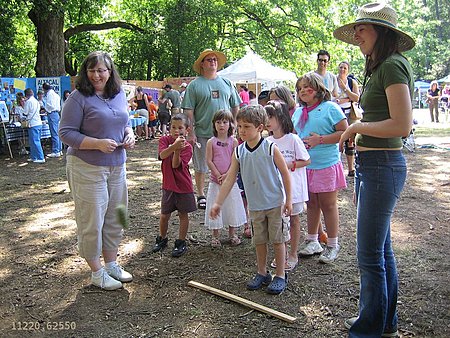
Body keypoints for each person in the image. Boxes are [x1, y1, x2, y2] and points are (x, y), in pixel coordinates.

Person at [333, 2, 415, 336]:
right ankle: (385, 324)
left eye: (362, 29)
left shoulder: (394, 66)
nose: (356, 36)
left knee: (369, 255)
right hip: (371, 166)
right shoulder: (379, 67)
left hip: (383, 167)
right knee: (381, 251)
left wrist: (355, 129)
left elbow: (402, 124)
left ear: (380, 32)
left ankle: (367, 331)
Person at [59, 51, 135, 291]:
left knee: (116, 215)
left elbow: (124, 121)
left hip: (117, 165)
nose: (96, 75)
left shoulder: (119, 93)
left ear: (110, 71)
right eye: (91, 70)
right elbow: (66, 133)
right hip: (87, 167)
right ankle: (96, 271)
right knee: (92, 220)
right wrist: (97, 143)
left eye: (101, 70)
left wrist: (129, 133)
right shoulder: (78, 98)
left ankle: (111, 263)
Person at [210, 105, 292, 295]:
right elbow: (230, 178)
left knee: (278, 240)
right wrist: (218, 202)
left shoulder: (271, 148)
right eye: (239, 126)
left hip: (274, 204)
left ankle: (280, 274)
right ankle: (262, 272)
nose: (242, 130)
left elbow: (285, 174)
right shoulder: (239, 152)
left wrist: (288, 200)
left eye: (246, 126)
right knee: (259, 240)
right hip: (255, 206)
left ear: (260, 127)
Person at [292, 72, 347, 264]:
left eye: (307, 86)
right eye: (299, 88)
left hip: (326, 165)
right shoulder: (298, 112)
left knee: (328, 204)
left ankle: (332, 244)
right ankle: (312, 240)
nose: (302, 91)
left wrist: (320, 140)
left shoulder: (330, 108)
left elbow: (344, 132)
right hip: (305, 167)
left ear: (318, 88)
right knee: (312, 204)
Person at [182, 49, 241, 209]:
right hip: (202, 132)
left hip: (226, 134)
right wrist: (190, 132)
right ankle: (201, 195)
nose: (212, 62)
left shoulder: (226, 83)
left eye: (214, 59)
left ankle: (227, 189)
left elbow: (235, 105)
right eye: (208, 60)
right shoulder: (194, 85)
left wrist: (235, 124)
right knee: (201, 164)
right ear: (202, 64)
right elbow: (188, 111)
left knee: (228, 162)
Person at [265, 100, 310, 271]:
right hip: (276, 189)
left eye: (271, 116)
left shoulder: (293, 139)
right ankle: (280, 254)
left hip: (294, 188)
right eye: (266, 117)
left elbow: (306, 160)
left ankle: (293, 254)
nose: (268, 121)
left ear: (281, 117)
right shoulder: (267, 141)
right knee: (278, 222)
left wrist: (288, 164)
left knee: (294, 219)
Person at [152, 113, 196, 257]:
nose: (176, 131)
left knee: (183, 214)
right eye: (173, 127)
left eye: (180, 128)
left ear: (187, 130)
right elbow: (163, 155)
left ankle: (181, 241)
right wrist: (174, 146)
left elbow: (175, 164)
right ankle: (162, 238)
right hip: (168, 186)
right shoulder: (164, 140)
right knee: (164, 215)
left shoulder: (188, 147)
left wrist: (177, 149)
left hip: (183, 186)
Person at [204, 110, 246, 247]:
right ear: (214, 124)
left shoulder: (233, 142)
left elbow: (236, 160)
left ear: (230, 124)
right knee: (215, 205)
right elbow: (209, 160)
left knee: (231, 206)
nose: (221, 125)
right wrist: (217, 174)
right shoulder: (211, 142)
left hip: (231, 181)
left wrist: (228, 174)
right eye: (218, 122)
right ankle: (215, 235)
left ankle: (232, 233)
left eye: (225, 122)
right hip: (216, 182)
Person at [335, 61, 360, 176]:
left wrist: (345, 90)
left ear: (348, 70)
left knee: (350, 142)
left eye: (344, 68)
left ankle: (351, 169)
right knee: (337, 140)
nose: (342, 70)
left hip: (350, 114)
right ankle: (337, 167)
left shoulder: (351, 82)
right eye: (340, 67)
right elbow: (331, 97)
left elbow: (356, 98)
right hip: (336, 113)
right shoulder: (333, 80)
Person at [23, 88, 45, 163]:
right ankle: (34, 157)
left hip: (33, 124)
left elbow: (25, 112)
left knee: (35, 141)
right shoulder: (36, 101)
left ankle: (40, 157)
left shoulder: (28, 102)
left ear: (26, 95)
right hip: (38, 123)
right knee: (34, 141)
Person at [42, 82, 63, 158]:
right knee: (57, 132)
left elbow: (50, 106)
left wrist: (45, 109)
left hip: (52, 113)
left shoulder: (49, 95)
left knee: (54, 133)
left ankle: (55, 150)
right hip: (57, 113)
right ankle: (59, 150)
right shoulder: (56, 95)